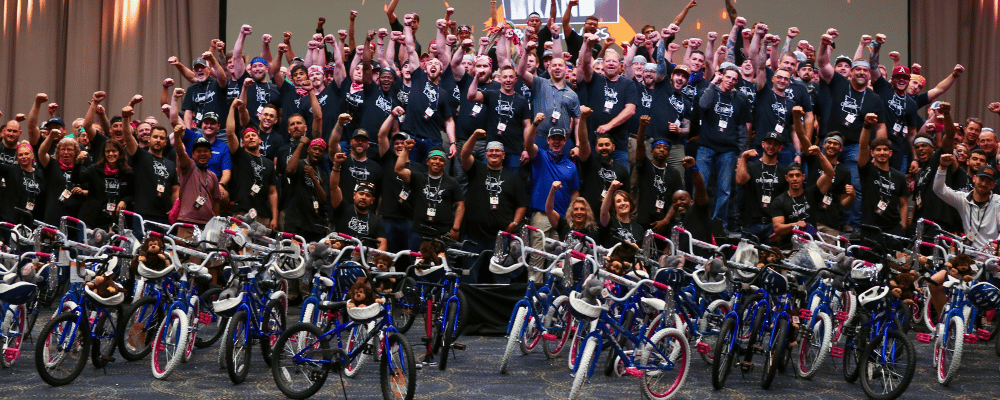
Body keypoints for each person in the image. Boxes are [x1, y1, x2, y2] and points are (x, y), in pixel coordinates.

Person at [817, 29, 888, 230]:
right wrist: (824, 44)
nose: (861, 73)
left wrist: (878, 150)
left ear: (869, 75)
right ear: (851, 72)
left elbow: (881, 127)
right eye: (857, 69)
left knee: (854, 186)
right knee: (824, 183)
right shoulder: (839, 83)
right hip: (832, 143)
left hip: (856, 147)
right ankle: (822, 221)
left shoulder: (874, 98)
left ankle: (852, 227)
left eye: (865, 71)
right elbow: (822, 63)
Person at [459, 130, 528, 283]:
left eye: (497, 151)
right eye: (491, 151)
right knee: (469, 275)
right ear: (486, 154)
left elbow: (521, 205)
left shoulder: (513, 177)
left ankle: (501, 305)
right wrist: (475, 137)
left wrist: (515, 223)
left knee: (501, 276)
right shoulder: (476, 169)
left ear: (504, 155)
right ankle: (467, 305)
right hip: (473, 234)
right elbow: (464, 155)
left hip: (500, 237)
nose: (494, 153)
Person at [697, 66, 752, 231]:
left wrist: (741, 155)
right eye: (728, 77)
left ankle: (719, 224)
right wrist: (713, 83)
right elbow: (703, 105)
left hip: (728, 150)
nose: (731, 81)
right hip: (706, 146)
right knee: (701, 185)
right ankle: (698, 219)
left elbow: (743, 130)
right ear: (722, 77)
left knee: (725, 190)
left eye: (734, 79)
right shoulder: (710, 91)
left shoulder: (741, 99)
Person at [523, 111, 577, 279]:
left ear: (565, 141)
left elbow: (575, 192)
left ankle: (551, 301)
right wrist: (535, 125)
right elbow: (528, 145)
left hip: (561, 219)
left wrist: (572, 216)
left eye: (560, 139)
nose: (556, 141)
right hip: (541, 214)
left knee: (558, 264)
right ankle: (531, 300)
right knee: (537, 259)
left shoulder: (571, 166)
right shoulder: (541, 156)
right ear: (547, 140)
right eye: (553, 138)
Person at [394, 141, 464, 251]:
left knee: (438, 266)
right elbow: (398, 170)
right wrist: (406, 150)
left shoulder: (452, 182)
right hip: (419, 232)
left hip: (442, 234)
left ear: (445, 164)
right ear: (427, 161)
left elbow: (460, 204)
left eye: (441, 160)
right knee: (416, 265)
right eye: (434, 158)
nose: (437, 162)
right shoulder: (418, 178)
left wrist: (455, 228)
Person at [580, 39, 638, 169]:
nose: (611, 63)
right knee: (594, 184)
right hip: (594, 143)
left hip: (618, 146)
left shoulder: (628, 84)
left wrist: (609, 125)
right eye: (608, 61)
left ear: (620, 65)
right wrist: (588, 45)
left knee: (620, 184)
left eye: (614, 61)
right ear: (603, 64)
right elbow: (585, 63)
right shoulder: (594, 79)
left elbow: (630, 110)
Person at [517, 47, 581, 157]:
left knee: (562, 172)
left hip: (563, 141)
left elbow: (577, 121)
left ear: (566, 69)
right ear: (549, 69)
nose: (557, 68)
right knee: (538, 172)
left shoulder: (572, 94)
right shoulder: (539, 83)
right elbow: (521, 72)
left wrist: (578, 145)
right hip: (541, 138)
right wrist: (526, 51)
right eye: (554, 65)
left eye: (560, 65)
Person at [226, 98, 279, 230]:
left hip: (263, 216)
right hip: (241, 213)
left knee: (262, 250)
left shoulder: (268, 163)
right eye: (247, 136)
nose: (250, 137)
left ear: (260, 140)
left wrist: (274, 217)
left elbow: (273, 192)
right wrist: (232, 108)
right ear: (242, 143)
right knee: (240, 249)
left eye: (253, 135)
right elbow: (230, 133)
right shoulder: (240, 155)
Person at [768, 147, 835, 248]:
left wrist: (819, 154)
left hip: (811, 246)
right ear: (786, 178)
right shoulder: (779, 201)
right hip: (789, 247)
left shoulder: (812, 193)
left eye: (797, 175)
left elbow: (830, 173)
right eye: (791, 176)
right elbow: (777, 228)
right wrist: (795, 224)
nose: (795, 179)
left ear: (803, 177)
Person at [122, 105, 178, 226]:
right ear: (150, 139)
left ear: (165, 142)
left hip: (165, 216)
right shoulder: (141, 156)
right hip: (143, 215)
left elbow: (175, 190)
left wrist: (174, 209)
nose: (158, 140)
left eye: (161, 138)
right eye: (155, 137)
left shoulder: (171, 164)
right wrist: (125, 117)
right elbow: (127, 136)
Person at [467, 65, 532, 169]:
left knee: (512, 183)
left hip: (514, 150)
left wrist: (527, 149)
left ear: (515, 80)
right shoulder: (491, 95)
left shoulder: (522, 100)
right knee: (491, 182)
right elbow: (471, 96)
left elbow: (527, 126)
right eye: (505, 77)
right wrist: (476, 78)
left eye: (511, 77)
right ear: (500, 79)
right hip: (493, 150)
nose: (508, 80)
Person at [857, 113, 909, 235]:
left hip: (893, 228)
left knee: (896, 254)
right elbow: (863, 146)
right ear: (872, 153)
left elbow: (903, 204)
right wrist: (867, 126)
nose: (882, 152)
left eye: (885, 150)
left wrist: (903, 226)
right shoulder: (867, 170)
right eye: (878, 150)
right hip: (870, 226)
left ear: (890, 153)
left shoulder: (899, 177)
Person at [736, 131, 788, 242]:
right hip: (751, 224)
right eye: (769, 143)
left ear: (780, 148)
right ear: (763, 144)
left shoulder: (784, 171)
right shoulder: (751, 166)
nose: (771, 147)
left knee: (770, 259)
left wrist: (780, 227)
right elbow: (740, 180)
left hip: (772, 225)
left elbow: (786, 202)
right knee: (746, 259)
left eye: (775, 144)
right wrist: (744, 157)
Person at [329, 153, 387, 250]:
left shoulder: (377, 221)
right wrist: (337, 165)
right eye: (361, 194)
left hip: (363, 262)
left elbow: (382, 245)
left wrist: (372, 260)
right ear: (354, 195)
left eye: (368, 195)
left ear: (372, 201)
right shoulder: (343, 208)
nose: (364, 197)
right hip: (340, 258)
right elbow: (334, 187)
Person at [872, 65, 922, 172]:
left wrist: (915, 158)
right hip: (878, 149)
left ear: (909, 80)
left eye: (905, 77)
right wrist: (875, 51)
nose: (901, 80)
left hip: (899, 152)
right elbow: (873, 68)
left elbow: (912, 133)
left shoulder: (911, 104)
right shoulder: (883, 88)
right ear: (892, 79)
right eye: (898, 77)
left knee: (896, 185)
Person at [77, 139, 134, 230]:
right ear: (104, 153)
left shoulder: (127, 172)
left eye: (114, 151)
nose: (111, 154)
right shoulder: (95, 169)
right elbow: (76, 179)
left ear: (120, 153)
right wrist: (78, 163)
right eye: (108, 151)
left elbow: (131, 193)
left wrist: (124, 201)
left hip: (113, 220)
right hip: (92, 218)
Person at [284, 133, 330, 242]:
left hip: (313, 225)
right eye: (315, 149)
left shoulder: (322, 174)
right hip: (295, 223)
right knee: (291, 255)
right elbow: (289, 170)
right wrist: (300, 145)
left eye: (321, 150)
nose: (317, 152)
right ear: (309, 150)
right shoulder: (299, 164)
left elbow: (323, 198)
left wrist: (314, 178)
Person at [329, 114, 382, 205]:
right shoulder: (341, 160)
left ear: (368, 144)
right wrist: (339, 124)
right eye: (357, 139)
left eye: (363, 140)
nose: (360, 142)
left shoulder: (376, 168)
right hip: (342, 212)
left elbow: (380, 195)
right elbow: (333, 145)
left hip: (365, 215)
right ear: (351, 142)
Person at [37, 128, 85, 226]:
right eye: (63, 149)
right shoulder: (52, 165)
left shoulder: (82, 169)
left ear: (76, 152)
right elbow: (41, 153)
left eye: (69, 150)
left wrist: (83, 191)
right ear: (58, 152)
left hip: (74, 219)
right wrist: (50, 137)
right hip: (53, 216)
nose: (66, 152)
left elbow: (93, 192)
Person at [0, 141, 44, 224]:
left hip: (32, 220)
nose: (24, 157)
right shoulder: (11, 171)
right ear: (17, 157)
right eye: (20, 155)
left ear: (32, 155)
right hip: (12, 220)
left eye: (26, 154)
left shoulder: (40, 174)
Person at [599, 179, 643, 248]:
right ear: (614, 206)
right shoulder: (609, 222)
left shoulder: (639, 228)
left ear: (630, 204)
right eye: (618, 201)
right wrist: (611, 190)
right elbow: (603, 213)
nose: (623, 203)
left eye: (625, 200)